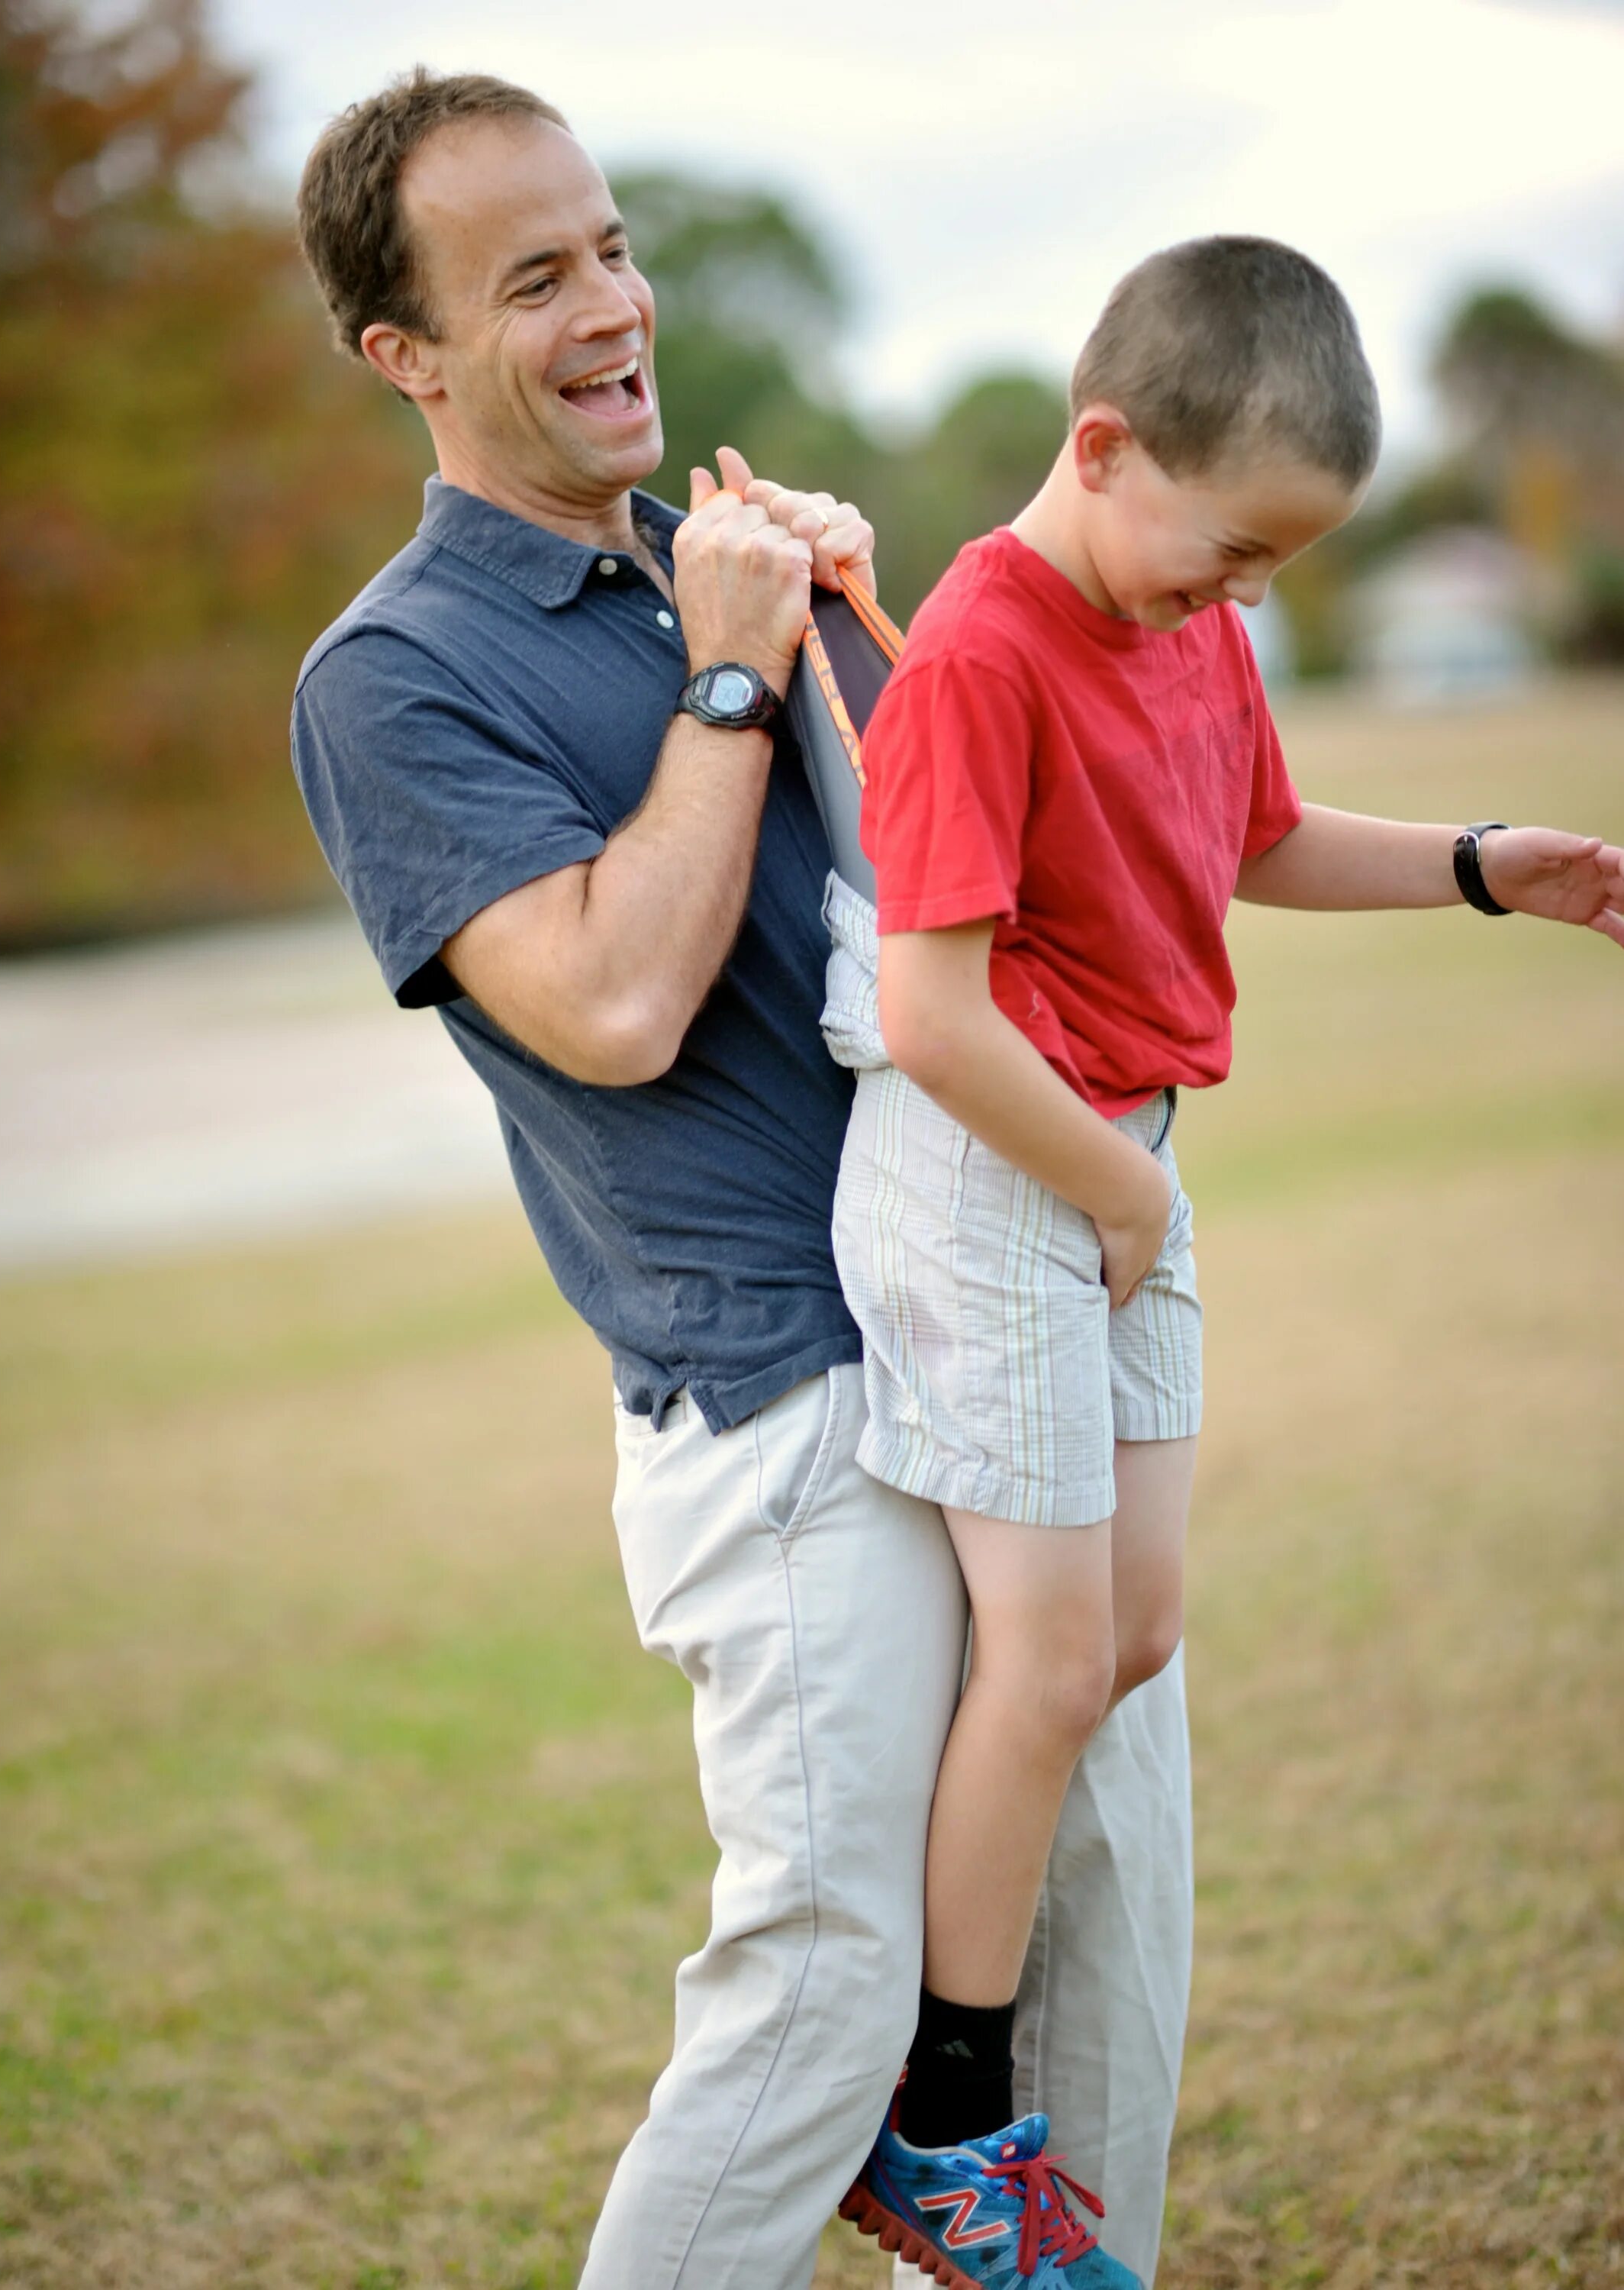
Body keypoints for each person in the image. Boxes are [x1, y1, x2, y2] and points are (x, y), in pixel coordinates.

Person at [288, 69, 1197, 2290]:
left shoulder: (737, 562)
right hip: (780, 1404)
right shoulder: (389, 678)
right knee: (814, 2010)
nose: (613, 306)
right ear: (401, 355)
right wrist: (721, 672)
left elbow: (951, 906)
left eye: (609, 247)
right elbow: (608, 1005)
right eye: (534, 280)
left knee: (1103, 1965)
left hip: (990, 1331)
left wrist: (854, 628)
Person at [820, 234, 1624, 2285]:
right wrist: (1122, 1193)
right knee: (1060, 1655)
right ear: (1104, 449)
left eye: (1278, 566)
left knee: (1141, 1632)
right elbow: (930, 1011)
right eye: (1230, 552)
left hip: (1122, 1165)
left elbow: (1248, 835)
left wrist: (1474, 869)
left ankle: (958, 2050)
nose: (1243, 598)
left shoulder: (1189, 626)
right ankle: (938, 2113)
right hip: (1010, 1161)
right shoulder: (985, 651)